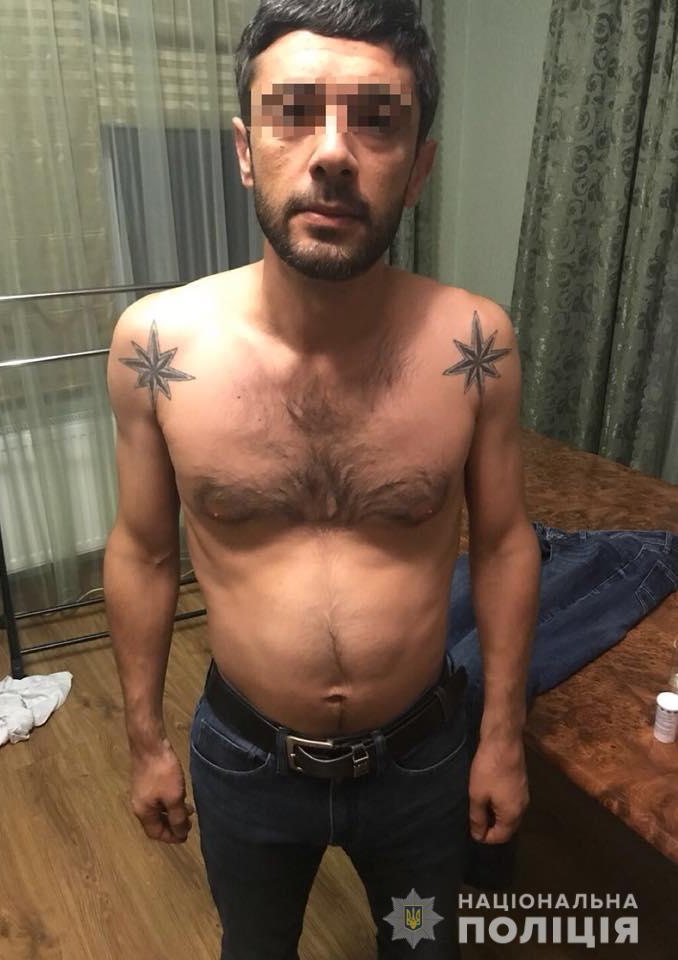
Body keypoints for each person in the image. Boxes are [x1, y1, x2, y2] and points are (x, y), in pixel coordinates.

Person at [103, 0, 542, 956]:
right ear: (244, 149)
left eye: (376, 121)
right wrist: (143, 742)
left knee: (421, 947)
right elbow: (141, 551)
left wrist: (502, 737)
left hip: (422, 760)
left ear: (419, 166)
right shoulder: (157, 347)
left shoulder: (476, 344)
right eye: (294, 112)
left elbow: (507, 543)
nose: (333, 152)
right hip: (246, 760)